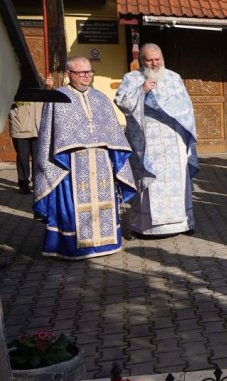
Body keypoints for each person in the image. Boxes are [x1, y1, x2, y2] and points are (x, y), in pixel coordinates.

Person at [33, 56, 137, 259]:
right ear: (68, 74)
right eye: (81, 73)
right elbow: (48, 138)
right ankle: (72, 247)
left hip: (101, 163)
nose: (87, 76)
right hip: (70, 163)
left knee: (103, 204)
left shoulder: (101, 98)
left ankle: (105, 243)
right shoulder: (57, 98)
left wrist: (117, 161)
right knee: (72, 205)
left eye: (89, 72)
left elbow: (114, 134)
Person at [114, 44, 198, 237]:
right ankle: (146, 226)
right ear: (141, 61)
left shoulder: (174, 78)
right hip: (147, 138)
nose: (154, 63)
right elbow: (121, 102)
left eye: (157, 59)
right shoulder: (132, 78)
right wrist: (141, 90)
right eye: (149, 60)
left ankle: (182, 223)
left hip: (174, 137)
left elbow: (186, 106)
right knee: (150, 179)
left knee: (177, 180)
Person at [8, 99, 42, 194]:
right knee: (22, 157)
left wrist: (49, 88)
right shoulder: (12, 85)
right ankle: (23, 184)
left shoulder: (40, 84)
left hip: (38, 125)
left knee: (38, 158)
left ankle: (38, 183)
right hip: (20, 125)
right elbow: (5, 99)